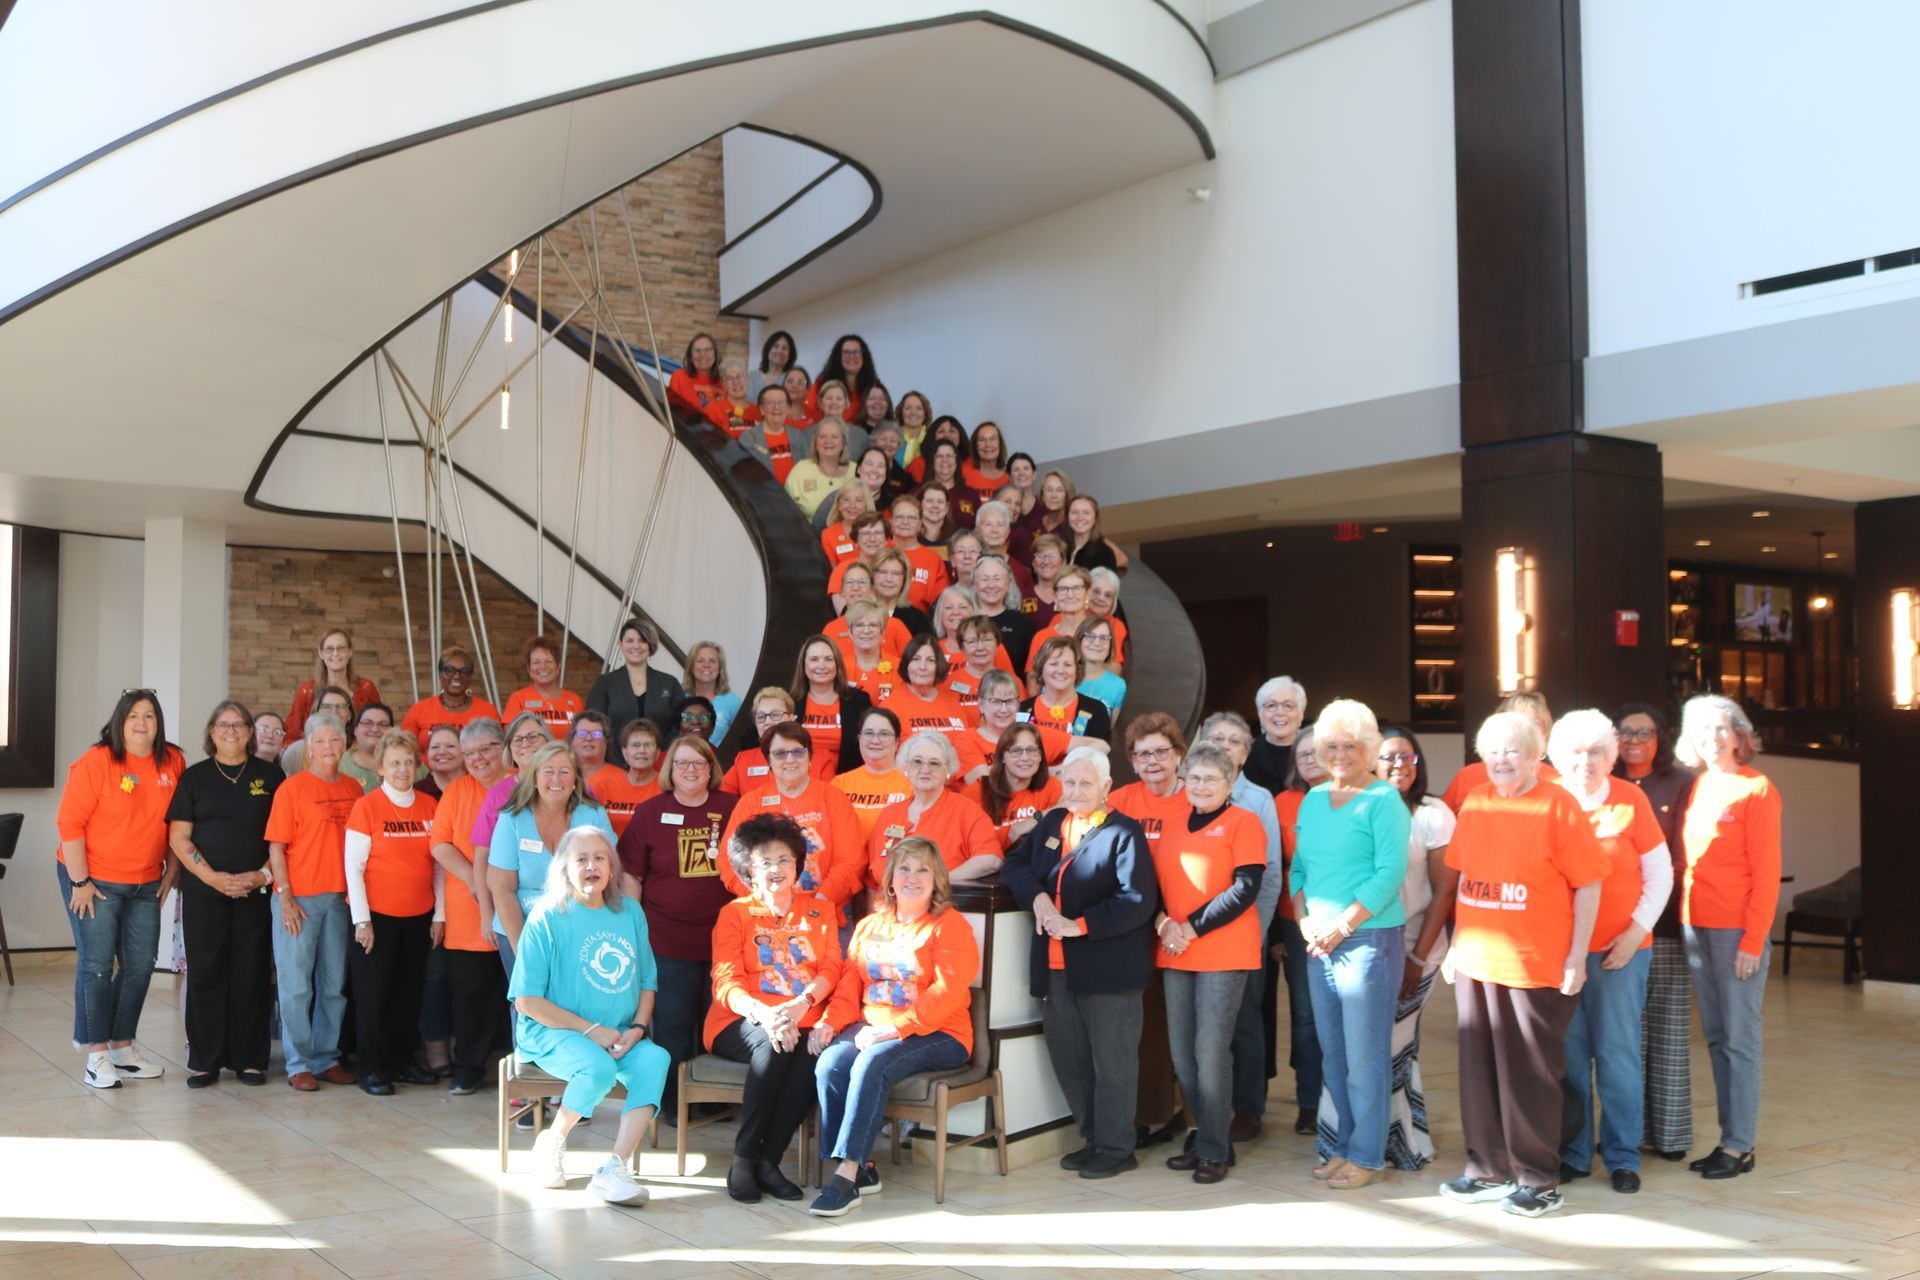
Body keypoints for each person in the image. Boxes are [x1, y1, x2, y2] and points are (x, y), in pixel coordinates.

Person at [1437, 711, 1609, 1218]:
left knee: (1530, 1077)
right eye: (1493, 750)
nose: (1502, 759)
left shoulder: (1559, 805)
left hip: (1537, 966)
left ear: (1537, 755)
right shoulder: (1477, 801)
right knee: (1478, 1072)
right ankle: (1486, 1169)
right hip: (1476, 961)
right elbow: (1467, 883)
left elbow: (1590, 884)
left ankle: (1539, 1179)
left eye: (1513, 749)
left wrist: (1577, 956)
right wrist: (1454, 946)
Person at [1004, 749, 1157, 1180]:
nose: (1075, 791)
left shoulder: (1124, 833)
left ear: (1106, 788)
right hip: (1054, 969)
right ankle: (1093, 1139)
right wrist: (1035, 898)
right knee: (1070, 1059)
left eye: (1085, 784)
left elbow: (1137, 900)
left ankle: (1116, 1145)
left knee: (1112, 1062)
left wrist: (1082, 926)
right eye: (1069, 783)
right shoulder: (1052, 823)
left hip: (1108, 968)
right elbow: (1013, 864)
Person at [809, 836, 980, 1215]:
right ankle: (864, 1169)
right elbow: (850, 986)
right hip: (874, 1024)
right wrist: (828, 1023)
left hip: (941, 1032)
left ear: (937, 879)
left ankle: (846, 1176)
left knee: (872, 1063)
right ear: (890, 878)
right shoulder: (869, 926)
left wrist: (897, 1028)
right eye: (904, 867)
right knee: (830, 1064)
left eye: (923, 869)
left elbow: (948, 992)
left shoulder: (950, 927)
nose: (912, 877)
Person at [510, 826, 668, 1205]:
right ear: (564, 869)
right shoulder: (547, 916)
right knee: (597, 1069)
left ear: (612, 867)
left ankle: (615, 1167)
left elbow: (648, 979)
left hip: (617, 1034)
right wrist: (590, 1029)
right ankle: (552, 1140)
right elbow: (527, 1002)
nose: (592, 866)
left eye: (600, 858)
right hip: (553, 1031)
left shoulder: (629, 911)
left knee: (655, 1059)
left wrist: (638, 1027)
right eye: (581, 859)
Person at [1550, 710, 1672, 1194]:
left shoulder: (1631, 799)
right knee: (1571, 1057)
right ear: (1560, 756)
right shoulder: (1549, 799)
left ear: (1612, 753)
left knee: (1618, 1055)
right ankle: (1575, 1154)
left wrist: (1635, 930)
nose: (1586, 762)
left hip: (1622, 953)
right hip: (1563, 956)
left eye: (1597, 751)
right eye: (1576, 752)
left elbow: (1660, 874)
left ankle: (1623, 1157)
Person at [1290, 699, 1410, 1189]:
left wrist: (1341, 925)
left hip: (1368, 941)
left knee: (1365, 1055)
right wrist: (1303, 923)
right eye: (1331, 745)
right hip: (1319, 942)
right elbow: (1299, 870)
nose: (1340, 754)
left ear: (1369, 750)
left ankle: (1367, 1155)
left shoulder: (1384, 801)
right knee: (1334, 1054)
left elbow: (1389, 876)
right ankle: (1342, 1145)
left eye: (1350, 745)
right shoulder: (1313, 799)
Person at [705, 813, 841, 1202]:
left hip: (803, 1018)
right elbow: (725, 983)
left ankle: (769, 1160)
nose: (776, 869)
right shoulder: (735, 914)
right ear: (750, 868)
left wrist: (803, 1003)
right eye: (765, 862)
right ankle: (745, 1159)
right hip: (739, 1020)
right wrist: (766, 1015)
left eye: (784, 860)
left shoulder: (819, 910)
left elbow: (832, 967)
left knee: (808, 1053)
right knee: (775, 1044)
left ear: (798, 863)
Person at [1674, 694, 1781, 1182]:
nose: (1712, 738)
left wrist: (1753, 940)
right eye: (1702, 730)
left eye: (1722, 729)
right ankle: (1728, 1140)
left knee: (1739, 1040)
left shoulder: (1757, 790)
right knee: (1717, 1039)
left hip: (1738, 931)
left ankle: (1740, 1145)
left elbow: (1766, 872)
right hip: (1697, 927)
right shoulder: (1698, 787)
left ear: (1741, 735)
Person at [1148, 743, 1267, 1183]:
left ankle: (1214, 1148)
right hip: (1175, 949)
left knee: (1210, 1052)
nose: (1199, 785)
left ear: (1230, 783)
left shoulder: (1244, 822)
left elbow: (1245, 888)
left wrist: (1191, 928)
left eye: (1210, 778)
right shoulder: (1173, 823)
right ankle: (1206, 1137)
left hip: (1222, 950)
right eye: (1193, 777)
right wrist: (1163, 925)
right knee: (1182, 1054)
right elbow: (1154, 886)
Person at [57, 690, 184, 1090]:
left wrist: (172, 872)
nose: (141, 723)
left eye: (149, 715)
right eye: (132, 716)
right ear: (119, 721)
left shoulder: (174, 761)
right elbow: (70, 825)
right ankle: (97, 1056)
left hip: (146, 882)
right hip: (93, 880)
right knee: (97, 965)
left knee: (140, 964)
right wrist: (80, 882)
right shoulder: (97, 761)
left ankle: (122, 1048)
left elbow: (180, 822)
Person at [619, 735, 738, 1120]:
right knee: (671, 1022)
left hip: (723, 940)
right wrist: (633, 929)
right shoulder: (652, 812)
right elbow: (631, 875)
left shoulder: (731, 808)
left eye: (698, 763)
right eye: (682, 763)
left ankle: (714, 1096)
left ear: (710, 769)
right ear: (669, 770)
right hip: (666, 938)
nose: (690, 770)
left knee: (713, 1021)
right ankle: (672, 1100)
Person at [166, 700, 283, 1088]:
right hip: (204, 890)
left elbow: (284, 836)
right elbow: (179, 838)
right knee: (207, 972)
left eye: (239, 725)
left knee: (251, 972)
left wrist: (261, 876)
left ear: (250, 733)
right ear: (211, 732)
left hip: (256, 889)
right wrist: (214, 878)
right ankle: (205, 1060)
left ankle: (249, 1059)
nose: (231, 731)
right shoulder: (195, 777)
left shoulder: (271, 775)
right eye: (223, 725)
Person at [1612, 701, 1697, 1162]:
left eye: (1643, 733)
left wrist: (1647, 901)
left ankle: (1668, 1136)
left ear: (1659, 737)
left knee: (1666, 1032)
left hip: (1662, 928)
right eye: (1625, 733)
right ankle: (1626, 1132)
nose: (1633, 742)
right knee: (1624, 1037)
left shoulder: (1681, 783)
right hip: (1612, 930)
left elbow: (1683, 855)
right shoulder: (1606, 783)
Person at [1369, 725, 1456, 1170]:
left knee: (1395, 1042)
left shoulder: (1433, 813)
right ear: (1372, 761)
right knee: (1379, 1043)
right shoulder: (1361, 808)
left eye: (1407, 757)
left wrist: (1418, 959)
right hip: (1369, 944)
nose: (1399, 765)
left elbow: (1444, 891)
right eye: (1388, 757)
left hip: (1418, 946)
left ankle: (1404, 1142)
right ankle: (1385, 1137)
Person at [264, 712, 365, 1090]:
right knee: (295, 987)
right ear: (308, 748)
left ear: (345, 746)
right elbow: (276, 848)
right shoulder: (291, 789)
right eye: (320, 741)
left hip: (340, 901)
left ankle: (326, 1058)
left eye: (335, 740)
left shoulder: (355, 789)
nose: (328, 747)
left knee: (333, 985)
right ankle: (298, 1063)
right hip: (300, 900)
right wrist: (285, 897)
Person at [1197, 713, 1284, 1145]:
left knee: (1245, 1022)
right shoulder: (1190, 790)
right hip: (1194, 936)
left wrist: (1258, 932)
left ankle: (1249, 1108)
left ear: (1246, 754)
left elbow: (1267, 878)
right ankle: (1206, 1111)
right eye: (1217, 738)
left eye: (1234, 741)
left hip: (1244, 933)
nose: (1225, 745)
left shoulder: (1259, 799)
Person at [344, 729, 444, 1095]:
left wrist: (440, 915)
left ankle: (402, 1061)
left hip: (418, 917)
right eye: (394, 763)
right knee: (373, 996)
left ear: (417, 766)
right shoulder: (367, 806)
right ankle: (371, 1067)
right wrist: (362, 920)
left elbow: (438, 867)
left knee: (408, 993)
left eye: (407, 762)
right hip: (377, 919)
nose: (402, 769)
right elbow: (353, 867)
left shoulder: (430, 807)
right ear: (380, 768)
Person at [427, 718, 510, 1095]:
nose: (477, 759)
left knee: (522, 990)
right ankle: (468, 1069)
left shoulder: (521, 785)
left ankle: (525, 1068)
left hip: (517, 908)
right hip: (468, 911)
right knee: (470, 995)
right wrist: (476, 883)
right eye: (470, 752)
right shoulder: (457, 790)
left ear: (502, 747)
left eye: (485, 749)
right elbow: (439, 843)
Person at [718, 722, 866, 927]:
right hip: (766, 918)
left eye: (798, 751)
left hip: (824, 915)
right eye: (779, 753)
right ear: (768, 760)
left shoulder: (833, 798)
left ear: (809, 756)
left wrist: (819, 903)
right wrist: (761, 899)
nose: (790, 760)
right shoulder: (751, 802)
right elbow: (728, 861)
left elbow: (851, 861)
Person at [486, 741, 616, 972]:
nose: (556, 779)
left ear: (575, 781)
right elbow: (502, 889)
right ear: (535, 779)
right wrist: (523, 952)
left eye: (565, 772)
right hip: (522, 928)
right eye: (548, 772)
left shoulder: (593, 815)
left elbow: (611, 876)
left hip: (581, 929)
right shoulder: (512, 818)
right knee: (528, 1005)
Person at [864, 731, 1002, 899]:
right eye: (917, 762)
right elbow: (872, 881)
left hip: (940, 910)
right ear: (906, 768)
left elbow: (991, 859)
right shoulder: (890, 814)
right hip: (890, 915)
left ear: (948, 771)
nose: (925, 769)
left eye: (934, 763)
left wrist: (938, 883)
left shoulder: (966, 811)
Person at [1274, 731, 1326, 1134]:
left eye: (1316, 752)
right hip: (1296, 921)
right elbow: (1273, 871)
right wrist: (1276, 933)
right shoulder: (1284, 803)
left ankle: (1338, 1096)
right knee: (1306, 1014)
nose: (1309, 759)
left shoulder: (1354, 797)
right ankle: (1309, 1102)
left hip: (1349, 919)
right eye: (1302, 754)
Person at [1442, 691, 1558, 812]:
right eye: (1517, 724)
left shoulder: (1556, 781)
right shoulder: (1467, 777)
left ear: (1545, 731)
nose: (1527, 731)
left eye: (1536, 723)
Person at [587, 618, 685, 761]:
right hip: (616, 766)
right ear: (620, 645)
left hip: (661, 766)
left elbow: (680, 725)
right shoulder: (605, 683)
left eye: (642, 640)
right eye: (630, 641)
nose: (636, 646)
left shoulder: (669, 683)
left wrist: (661, 755)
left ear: (650, 645)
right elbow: (595, 725)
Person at [954, 670, 1075, 783]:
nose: (1003, 709)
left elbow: (1092, 744)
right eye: (995, 701)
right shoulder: (967, 739)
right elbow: (986, 786)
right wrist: (1041, 773)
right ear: (980, 704)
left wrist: (1061, 769)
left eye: (1010, 701)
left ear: (1018, 704)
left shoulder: (1032, 734)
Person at [964, 722, 1061, 850]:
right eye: (1016, 751)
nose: (1025, 758)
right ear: (1002, 757)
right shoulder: (977, 792)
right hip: (990, 866)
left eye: (1032, 750)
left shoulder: (1051, 786)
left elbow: (1072, 805)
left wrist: (1034, 818)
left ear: (1041, 756)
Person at [792, 635, 874, 780]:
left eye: (828, 659)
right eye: (814, 659)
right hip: (799, 784)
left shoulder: (859, 701)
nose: (821, 666)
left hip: (847, 784)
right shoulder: (790, 703)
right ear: (803, 664)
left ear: (837, 664)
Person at [285, 627, 382, 746]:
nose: (335, 653)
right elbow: (292, 733)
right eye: (330, 649)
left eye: (341, 648)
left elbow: (379, 727)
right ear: (321, 653)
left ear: (350, 652)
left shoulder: (366, 688)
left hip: (357, 754)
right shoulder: (307, 690)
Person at [881, 634, 973, 749]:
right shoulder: (890, 707)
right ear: (906, 664)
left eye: (930, 660)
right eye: (916, 659)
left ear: (938, 665)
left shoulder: (953, 704)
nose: (922, 667)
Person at [831, 706, 911, 838]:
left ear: (897, 742)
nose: (875, 740)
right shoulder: (839, 784)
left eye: (884, 734)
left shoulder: (913, 783)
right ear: (859, 739)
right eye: (868, 733)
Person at [401, 646, 502, 750]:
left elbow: (500, 750)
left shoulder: (486, 710)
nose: (457, 676)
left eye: (464, 671)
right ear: (440, 674)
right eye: (450, 670)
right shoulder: (419, 710)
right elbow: (403, 750)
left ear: (470, 676)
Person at [1021, 636, 1113, 742]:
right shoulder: (1022, 709)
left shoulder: (1097, 711)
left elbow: (1099, 755)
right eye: (1053, 664)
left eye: (1068, 665)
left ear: (1077, 670)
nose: (1060, 670)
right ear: (1041, 668)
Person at [592, 717, 661, 837]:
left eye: (648, 745)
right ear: (624, 753)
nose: (642, 750)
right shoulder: (602, 787)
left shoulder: (668, 788)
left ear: (658, 753)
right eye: (635, 745)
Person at [503, 635, 584, 735]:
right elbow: (511, 740)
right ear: (529, 669)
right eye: (536, 662)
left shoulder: (575, 701)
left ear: (558, 667)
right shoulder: (518, 699)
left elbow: (582, 738)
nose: (543, 667)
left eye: (549, 661)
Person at [721, 689, 791, 794]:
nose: (768, 722)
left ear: (792, 718)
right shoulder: (744, 760)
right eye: (761, 717)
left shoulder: (816, 758)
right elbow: (720, 797)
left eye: (775, 715)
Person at [887, 495, 950, 612]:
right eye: (900, 517)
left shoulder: (933, 560)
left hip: (919, 624)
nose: (905, 522)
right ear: (891, 521)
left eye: (911, 518)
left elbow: (939, 605)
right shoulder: (879, 552)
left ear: (920, 524)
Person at [1246, 676, 1307, 796]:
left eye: (1288, 706)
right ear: (1260, 714)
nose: (1280, 712)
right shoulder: (1245, 755)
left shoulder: (1314, 754)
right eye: (1271, 706)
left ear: (1301, 714)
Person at [972, 555, 1035, 672]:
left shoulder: (1022, 623)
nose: (991, 585)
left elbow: (1032, 671)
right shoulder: (965, 621)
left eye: (997, 579)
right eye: (985, 579)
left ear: (1008, 584)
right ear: (975, 584)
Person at [279, 685, 352, 775]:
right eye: (327, 707)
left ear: (350, 715)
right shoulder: (297, 752)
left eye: (341, 707)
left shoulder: (359, 750)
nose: (334, 712)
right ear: (316, 711)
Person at [786, 418, 851, 518]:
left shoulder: (857, 471)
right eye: (822, 436)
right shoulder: (800, 470)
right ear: (815, 443)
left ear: (843, 443)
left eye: (834, 436)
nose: (828, 441)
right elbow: (785, 510)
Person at [944, 614, 1011, 708]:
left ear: (997, 644)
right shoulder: (948, 684)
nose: (980, 648)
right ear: (962, 647)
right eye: (972, 641)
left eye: (987, 640)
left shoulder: (1012, 683)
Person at [684, 640, 742, 745]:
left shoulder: (733, 702)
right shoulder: (680, 697)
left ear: (720, 668)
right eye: (700, 660)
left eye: (712, 661)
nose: (706, 665)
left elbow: (740, 740)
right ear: (691, 667)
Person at [809, 334, 878, 422]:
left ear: (864, 356)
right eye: (846, 352)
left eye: (856, 352)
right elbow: (810, 413)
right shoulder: (822, 384)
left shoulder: (873, 386)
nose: (851, 356)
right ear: (838, 356)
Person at [1075, 618, 1127, 717]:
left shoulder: (1118, 685)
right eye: (1090, 636)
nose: (1097, 643)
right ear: (1079, 640)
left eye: (1104, 638)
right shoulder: (1062, 676)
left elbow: (1112, 730)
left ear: (1110, 646)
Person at [340, 702, 396, 791]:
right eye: (367, 723)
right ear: (356, 729)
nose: (374, 729)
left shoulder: (408, 763)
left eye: (382, 724)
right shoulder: (339, 767)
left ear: (392, 731)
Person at [1065, 495, 1128, 573]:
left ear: (1095, 519)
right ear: (1067, 517)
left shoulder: (1105, 553)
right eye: (1074, 512)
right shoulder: (1060, 548)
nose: (1080, 518)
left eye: (1086, 513)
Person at [703, 356, 760, 438]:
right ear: (724, 385)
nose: (736, 382)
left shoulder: (758, 412)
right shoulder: (713, 410)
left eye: (740, 376)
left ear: (747, 379)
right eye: (729, 378)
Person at [818, 482, 873, 565]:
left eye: (859, 500)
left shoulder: (878, 531)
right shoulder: (829, 534)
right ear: (839, 505)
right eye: (846, 499)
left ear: (866, 505)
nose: (852, 505)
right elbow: (833, 571)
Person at [1085, 568, 1130, 664]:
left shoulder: (1116, 626)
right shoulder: (1063, 618)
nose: (1101, 598)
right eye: (1096, 591)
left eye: (1108, 595)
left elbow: (1114, 667)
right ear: (1086, 591)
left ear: (1113, 602)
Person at [667, 331, 720, 412]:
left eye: (708, 350)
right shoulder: (679, 378)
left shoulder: (726, 381)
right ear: (690, 357)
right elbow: (672, 413)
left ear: (715, 354)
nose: (702, 355)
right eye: (697, 350)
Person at [961, 421, 1009, 508]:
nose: (988, 444)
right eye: (982, 440)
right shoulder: (963, 472)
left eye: (993, 439)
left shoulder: (1010, 476)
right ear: (975, 446)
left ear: (1000, 444)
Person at [1024, 535, 1067, 630]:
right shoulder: (1023, 596)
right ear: (1034, 564)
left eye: (1052, 555)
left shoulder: (1070, 596)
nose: (1046, 561)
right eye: (1040, 556)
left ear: (1063, 563)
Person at [419, 725, 466, 799]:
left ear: (464, 752)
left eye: (450, 746)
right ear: (427, 753)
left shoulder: (478, 787)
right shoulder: (416, 793)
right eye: (435, 747)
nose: (442, 752)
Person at [1024, 470, 1074, 538]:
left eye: (1059, 490)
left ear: (1067, 495)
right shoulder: (1033, 525)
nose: (1053, 495)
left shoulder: (1073, 526)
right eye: (1049, 490)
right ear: (1042, 495)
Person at [752, 329, 796, 396]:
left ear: (790, 354)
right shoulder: (750, 378)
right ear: (768, 350)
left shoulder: (793, 380)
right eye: (776, 346)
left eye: (784, 348)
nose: (779, 351)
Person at [894, 390, 932, 467]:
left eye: (919, 408)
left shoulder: (933, 440)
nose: (913, 412)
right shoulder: (891, 439)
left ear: (925, 413)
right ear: (901, 412)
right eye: (908, 408)